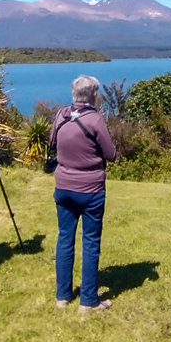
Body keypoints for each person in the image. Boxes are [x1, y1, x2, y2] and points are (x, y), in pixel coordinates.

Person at [50, 74, 117, 313]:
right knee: (90, 242)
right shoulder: (95, 120)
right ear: (93, 95)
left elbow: (52, 143)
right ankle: (88, 301)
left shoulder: (60, 115)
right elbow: (110, 154)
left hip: (63, 186)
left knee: (64, 238)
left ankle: (62, 295)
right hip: (90, 189)